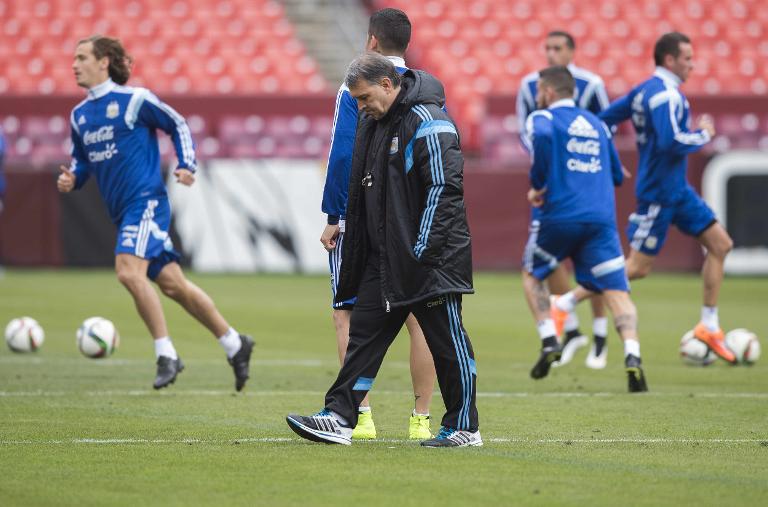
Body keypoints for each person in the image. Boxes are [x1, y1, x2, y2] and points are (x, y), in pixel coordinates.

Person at [287, 52, 480, 447]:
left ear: (388, 84)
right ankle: (340, 417)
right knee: (365, 337)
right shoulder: (375, 122)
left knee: (447, 343)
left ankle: (464, 426)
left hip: (429, 260)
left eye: (363, 97)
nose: (359, 106)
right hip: (386, 258)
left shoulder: (429, 121)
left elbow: (444, 192)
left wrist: (422, 250)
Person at [57, 35, 254, 389]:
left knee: (128, 272)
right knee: (174, 285)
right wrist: (74, 178)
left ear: (104, 61)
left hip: (145, 202)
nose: (74, 64)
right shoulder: (79, 116)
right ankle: (235, 343)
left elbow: (177, 124)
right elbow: (82, 161)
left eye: (82, 57)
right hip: (122, 212)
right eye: (74, 58)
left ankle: (167, 354)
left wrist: (186, 163)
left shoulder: (134, 100)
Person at [553, 32, 736, 363]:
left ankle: (709, 325)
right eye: (688, 58)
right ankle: (565, 302)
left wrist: (606, 154)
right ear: (670, 60)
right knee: (636, 268)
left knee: (721, 244)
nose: (693, 64)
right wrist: (704, 135)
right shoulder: (663, 95)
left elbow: (601, 121)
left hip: (677, 189)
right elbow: (670, 141)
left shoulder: (642, 91)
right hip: (659, 192)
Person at [320, 8, 435, 440]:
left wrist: (336, 216)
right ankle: (421, 419)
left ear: (371, 41)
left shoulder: (358, 84)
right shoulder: (426, 87)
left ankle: (359, 415)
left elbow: (345, 154)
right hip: (411, 219)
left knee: (346, 312)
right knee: (418, 318)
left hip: (362, 216)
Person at [523, 65, 647, 392]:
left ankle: (550, 338)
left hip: (561, 215)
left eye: (539, 91)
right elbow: (619, 177)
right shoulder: (598, 125)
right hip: (601, 221)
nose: (537, 97)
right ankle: (633, 355)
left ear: (549, 91)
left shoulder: (542, 119)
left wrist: (537, 185)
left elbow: (543, 142)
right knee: (616, 290)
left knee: (532, 274)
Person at [517, 30, 611, 369]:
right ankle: (571, 329)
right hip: (550, 185)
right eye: (548, 48)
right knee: (549, 256)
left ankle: (599, 334)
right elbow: (527, 131)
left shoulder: (591, 84)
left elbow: (606, 126)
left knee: (590, 260)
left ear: (572, 51)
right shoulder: (530, 85)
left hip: (584, 182)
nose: (552, 54)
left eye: (558, 48)